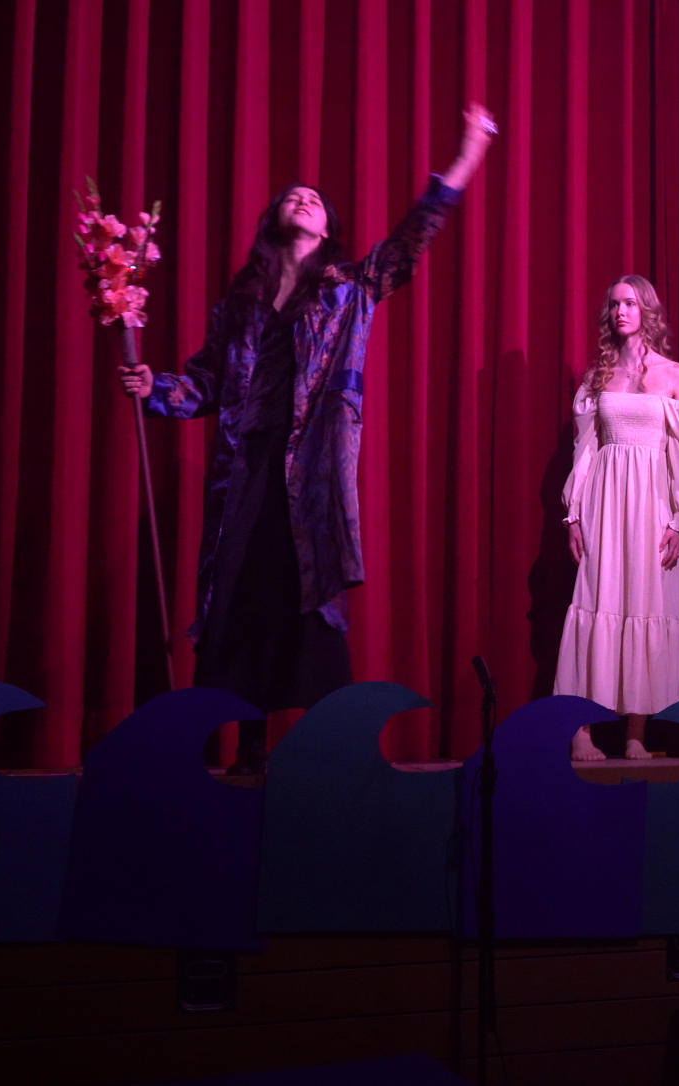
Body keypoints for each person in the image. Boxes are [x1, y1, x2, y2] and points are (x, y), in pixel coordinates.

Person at [118, 104, 496, 773]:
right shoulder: (239, 306)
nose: (303, 199)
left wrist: (466, 155)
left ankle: (333, 756)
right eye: (292, 196)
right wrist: (156, 387)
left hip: (310, 472)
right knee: (239, 596)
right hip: (246, 469)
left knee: (309, 601)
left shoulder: (350, 289)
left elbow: (412, 239)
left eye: (315, 200)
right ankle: (249, 747)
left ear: (327, 230)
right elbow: (205, 384)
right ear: (275, 221)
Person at [555, 275, 679, 761]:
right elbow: (585, 450)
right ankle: (582, 731)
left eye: (631, 303)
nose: (621, 311)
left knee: (647, 603)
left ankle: (637, 732)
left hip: (653, 501)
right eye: (615, 304)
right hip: (606, 502)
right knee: (599, 601)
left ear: (647, 310)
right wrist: (575, 515)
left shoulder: (675, 375)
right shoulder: (599, 375)